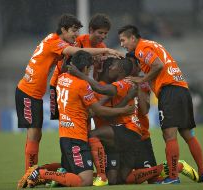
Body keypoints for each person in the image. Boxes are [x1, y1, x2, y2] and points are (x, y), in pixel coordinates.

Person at [15, 13, 124, 175]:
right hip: (41, 90)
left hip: (45, 91)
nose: (75, 35)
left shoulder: (60, 40)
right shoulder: (59, 42)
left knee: (45, 133)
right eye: (73, 30)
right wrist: (107, 50)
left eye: (105, 34)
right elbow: (74, 53)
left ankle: (56, 170)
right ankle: (30, 174)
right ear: (63, 29)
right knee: (39, 133)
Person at [17, 50, 134, 189]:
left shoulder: (62, 78)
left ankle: (38, 171)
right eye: (89, 68)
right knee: (85, 181)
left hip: (65, 135)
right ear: (85, 68)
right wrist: (124, 110)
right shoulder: (82, 85)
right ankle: (41, 173)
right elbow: (98, 111)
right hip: (76, 138)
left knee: (69, 170)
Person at [118, 25, 203, 184]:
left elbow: (158, 65)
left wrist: (142, 79)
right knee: (188, 135)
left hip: (169, 91)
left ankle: (173, 177)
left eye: (123, 40)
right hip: (182, 88)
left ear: (133, 38)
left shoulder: (141, 48)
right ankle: (202, 172)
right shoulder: (152, 44)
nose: (122, 44)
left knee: (169, 135)